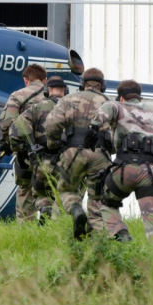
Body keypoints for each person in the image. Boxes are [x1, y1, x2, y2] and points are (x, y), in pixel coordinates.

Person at [89, 80, 153, 242]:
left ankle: (120, 233)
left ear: (121, 97)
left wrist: (93, 127)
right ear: (139, 97)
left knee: (107, 204)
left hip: (124, 170)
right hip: (150, 173)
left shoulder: (117, 106)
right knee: (152, 221)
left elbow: (106, 109)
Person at [46, 67, 111, 239]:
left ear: (82, 84)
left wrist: (53, 144)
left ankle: (76, 210)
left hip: (72, 153)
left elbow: (52, 124)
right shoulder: (110, 104)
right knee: (97, 200)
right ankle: (96, 243)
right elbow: (118, 134)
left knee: (66, 190)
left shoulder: (68, 99)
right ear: (102, 86)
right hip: (100, 154)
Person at [8, 75, 68, 224]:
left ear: (47, 90)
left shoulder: (36, 108)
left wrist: (24, 149)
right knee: (65, 195)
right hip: (67, 161)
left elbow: (15, 131)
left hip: (40, 161)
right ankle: (56, 228)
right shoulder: (72, 109)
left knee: (37, 193)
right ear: (65, 91)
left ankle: (33, 219)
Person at [0, 64, 48, 222]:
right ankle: (52, 230)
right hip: (51, 153)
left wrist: (9, 144)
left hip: (25, 153)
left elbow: (6, 123)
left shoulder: (18, 95)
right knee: (50, 190)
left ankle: (26, 230)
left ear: (26, 80)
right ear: (44, 80)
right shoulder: (52, 97)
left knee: (25, 189)